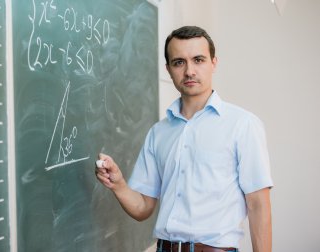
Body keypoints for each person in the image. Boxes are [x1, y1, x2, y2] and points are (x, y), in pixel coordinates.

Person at [95, 26, 273, 252]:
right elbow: (143, 208)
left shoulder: (243, 125)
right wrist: (118, 185)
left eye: (198, 60)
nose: (189, 71)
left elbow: (258, 205)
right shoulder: (158, 133)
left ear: (213, 63)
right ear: (168, 69)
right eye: (179, 62)